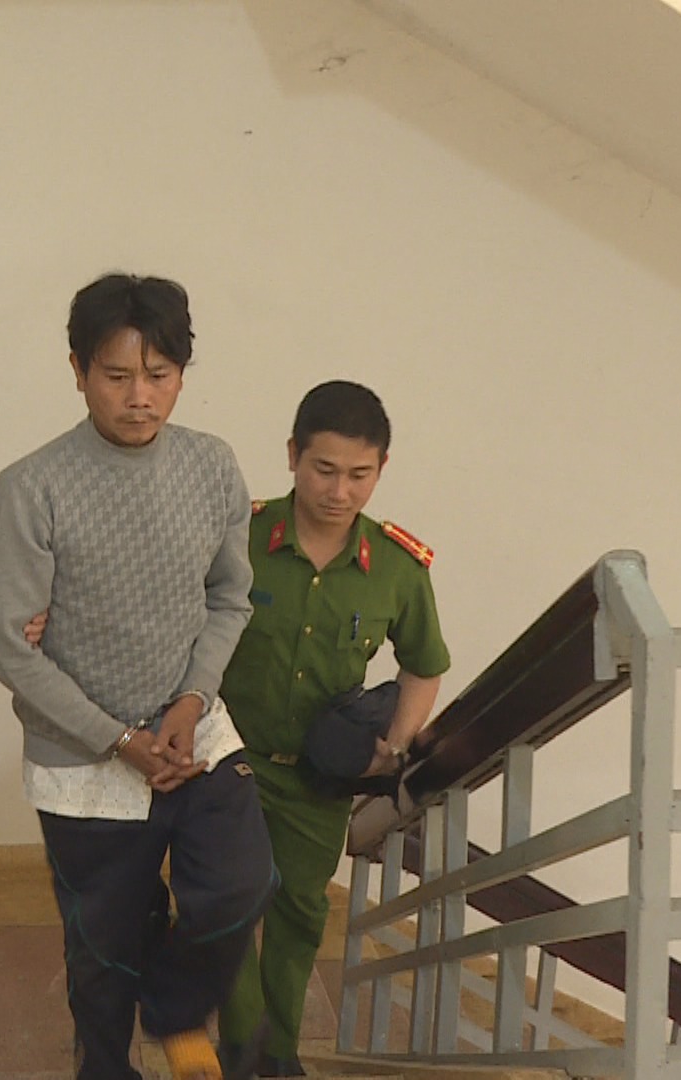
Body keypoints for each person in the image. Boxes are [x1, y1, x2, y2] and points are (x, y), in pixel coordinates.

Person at [0, 272, 276, 1080]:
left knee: (242, 885)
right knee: (103, 955)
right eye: (116, 375)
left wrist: (191, 699)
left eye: (159, 374)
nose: (140, 397)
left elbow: (230, 596)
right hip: (85, 760)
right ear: (77, 370)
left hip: (193, 731)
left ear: (181, 373)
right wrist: (118, 740)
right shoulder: (30, 489)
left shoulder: (212, 465)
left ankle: (173, 1008)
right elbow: (8, 647)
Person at [215, 380, 450, 1077]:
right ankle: (241, 1050)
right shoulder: (237, 537)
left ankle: (278, 1055)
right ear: (293, 455)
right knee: (226, 906)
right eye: (324, 470)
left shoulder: (396, 569)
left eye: (359, 475)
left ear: (381, 469)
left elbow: (423, 666)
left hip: (317, 782)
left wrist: (394, 745)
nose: (339, 491)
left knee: (297, 917)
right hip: (227, 762)